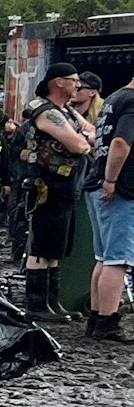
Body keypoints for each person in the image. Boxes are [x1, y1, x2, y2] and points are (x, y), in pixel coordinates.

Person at [23, 63, 94, 322]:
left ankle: (51, 302)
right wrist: (83, 142)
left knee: (56, 247)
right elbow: (77, 143)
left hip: (66, 186)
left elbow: (91, 134)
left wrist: (84, 140)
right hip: (48, 185)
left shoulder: (67, 112)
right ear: (58, 82)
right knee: (43, 246)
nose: (78, 85)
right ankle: (37, 304)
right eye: (74, 80)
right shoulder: (43, 110)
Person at [83, 72, 134, 342]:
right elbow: (120, 143)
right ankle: (107, 322)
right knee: (118, 259)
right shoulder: (132, 102)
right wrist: (112, 179)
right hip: (119, 189)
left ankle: (96, 317)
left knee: (103, 257)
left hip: (96, 185)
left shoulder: (114, 98)